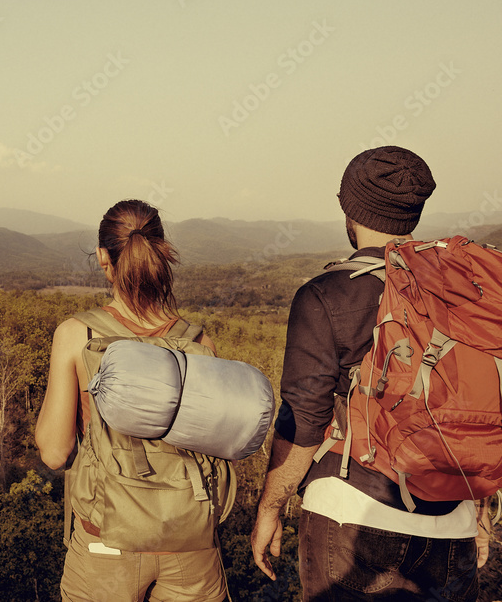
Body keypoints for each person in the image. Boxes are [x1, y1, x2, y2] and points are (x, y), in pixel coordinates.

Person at [251, 146, 491, 600]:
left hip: (353, 517)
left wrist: (270, 507)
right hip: (452, 521)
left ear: (348, 208)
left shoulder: (325, 296)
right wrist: (479, 512)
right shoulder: (464, 293)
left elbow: (303, 423)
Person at [35, 199, 228, 602]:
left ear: (104, 258)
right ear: (160, 253)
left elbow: (54, 452)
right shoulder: (199, 341)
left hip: (106, 544)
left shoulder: (77, 336)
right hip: (191, 546)